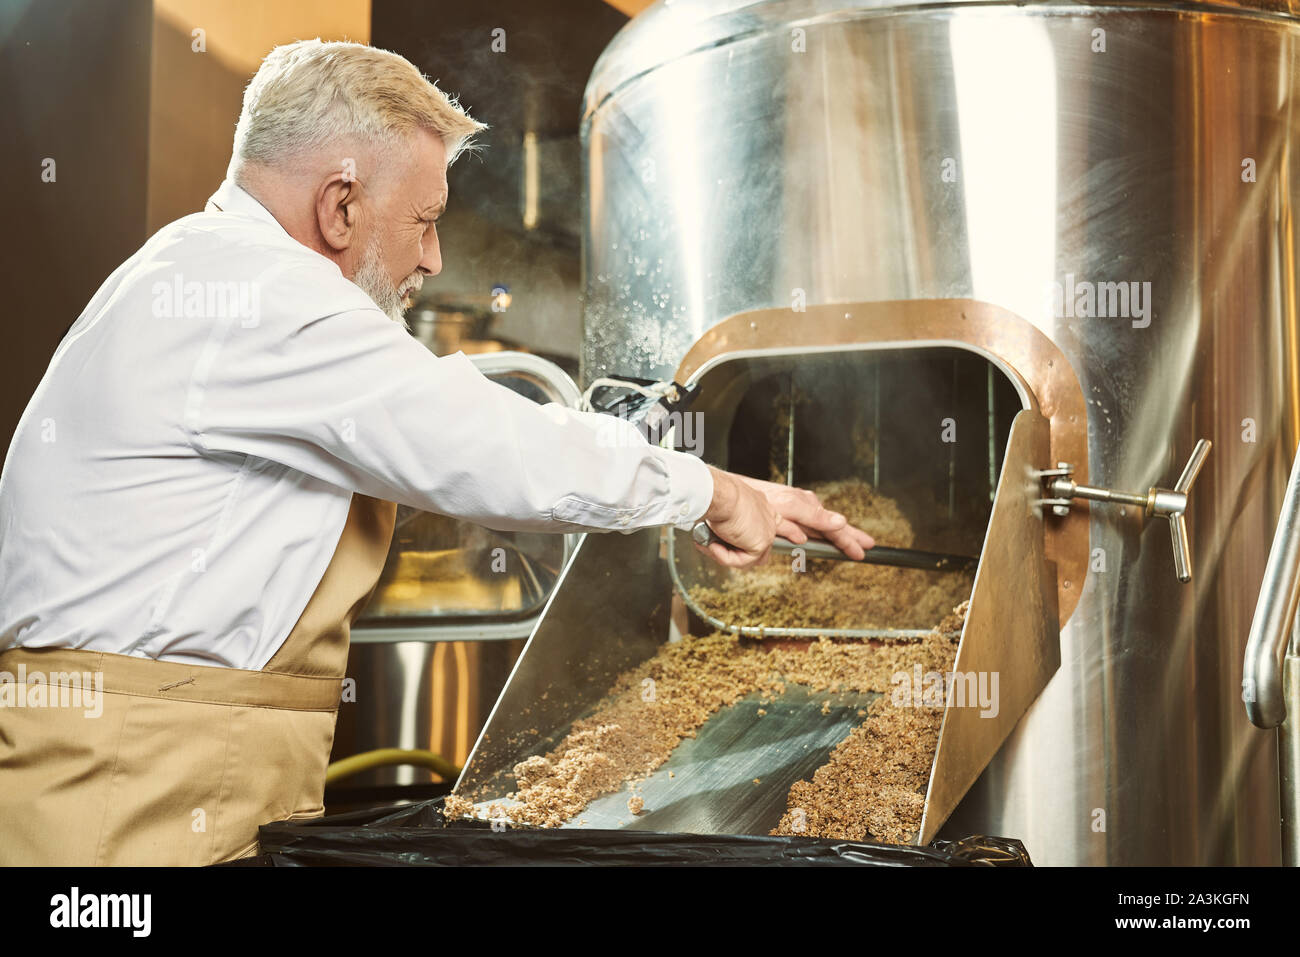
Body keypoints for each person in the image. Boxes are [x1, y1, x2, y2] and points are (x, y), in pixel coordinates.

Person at [0, 39, 872, 865]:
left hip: (171, 765)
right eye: (423, 220)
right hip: (130, 796)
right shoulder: (260, 294)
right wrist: (714, 491)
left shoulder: (202, 275)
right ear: (339, 204)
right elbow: (486, 441)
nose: (434, 256)